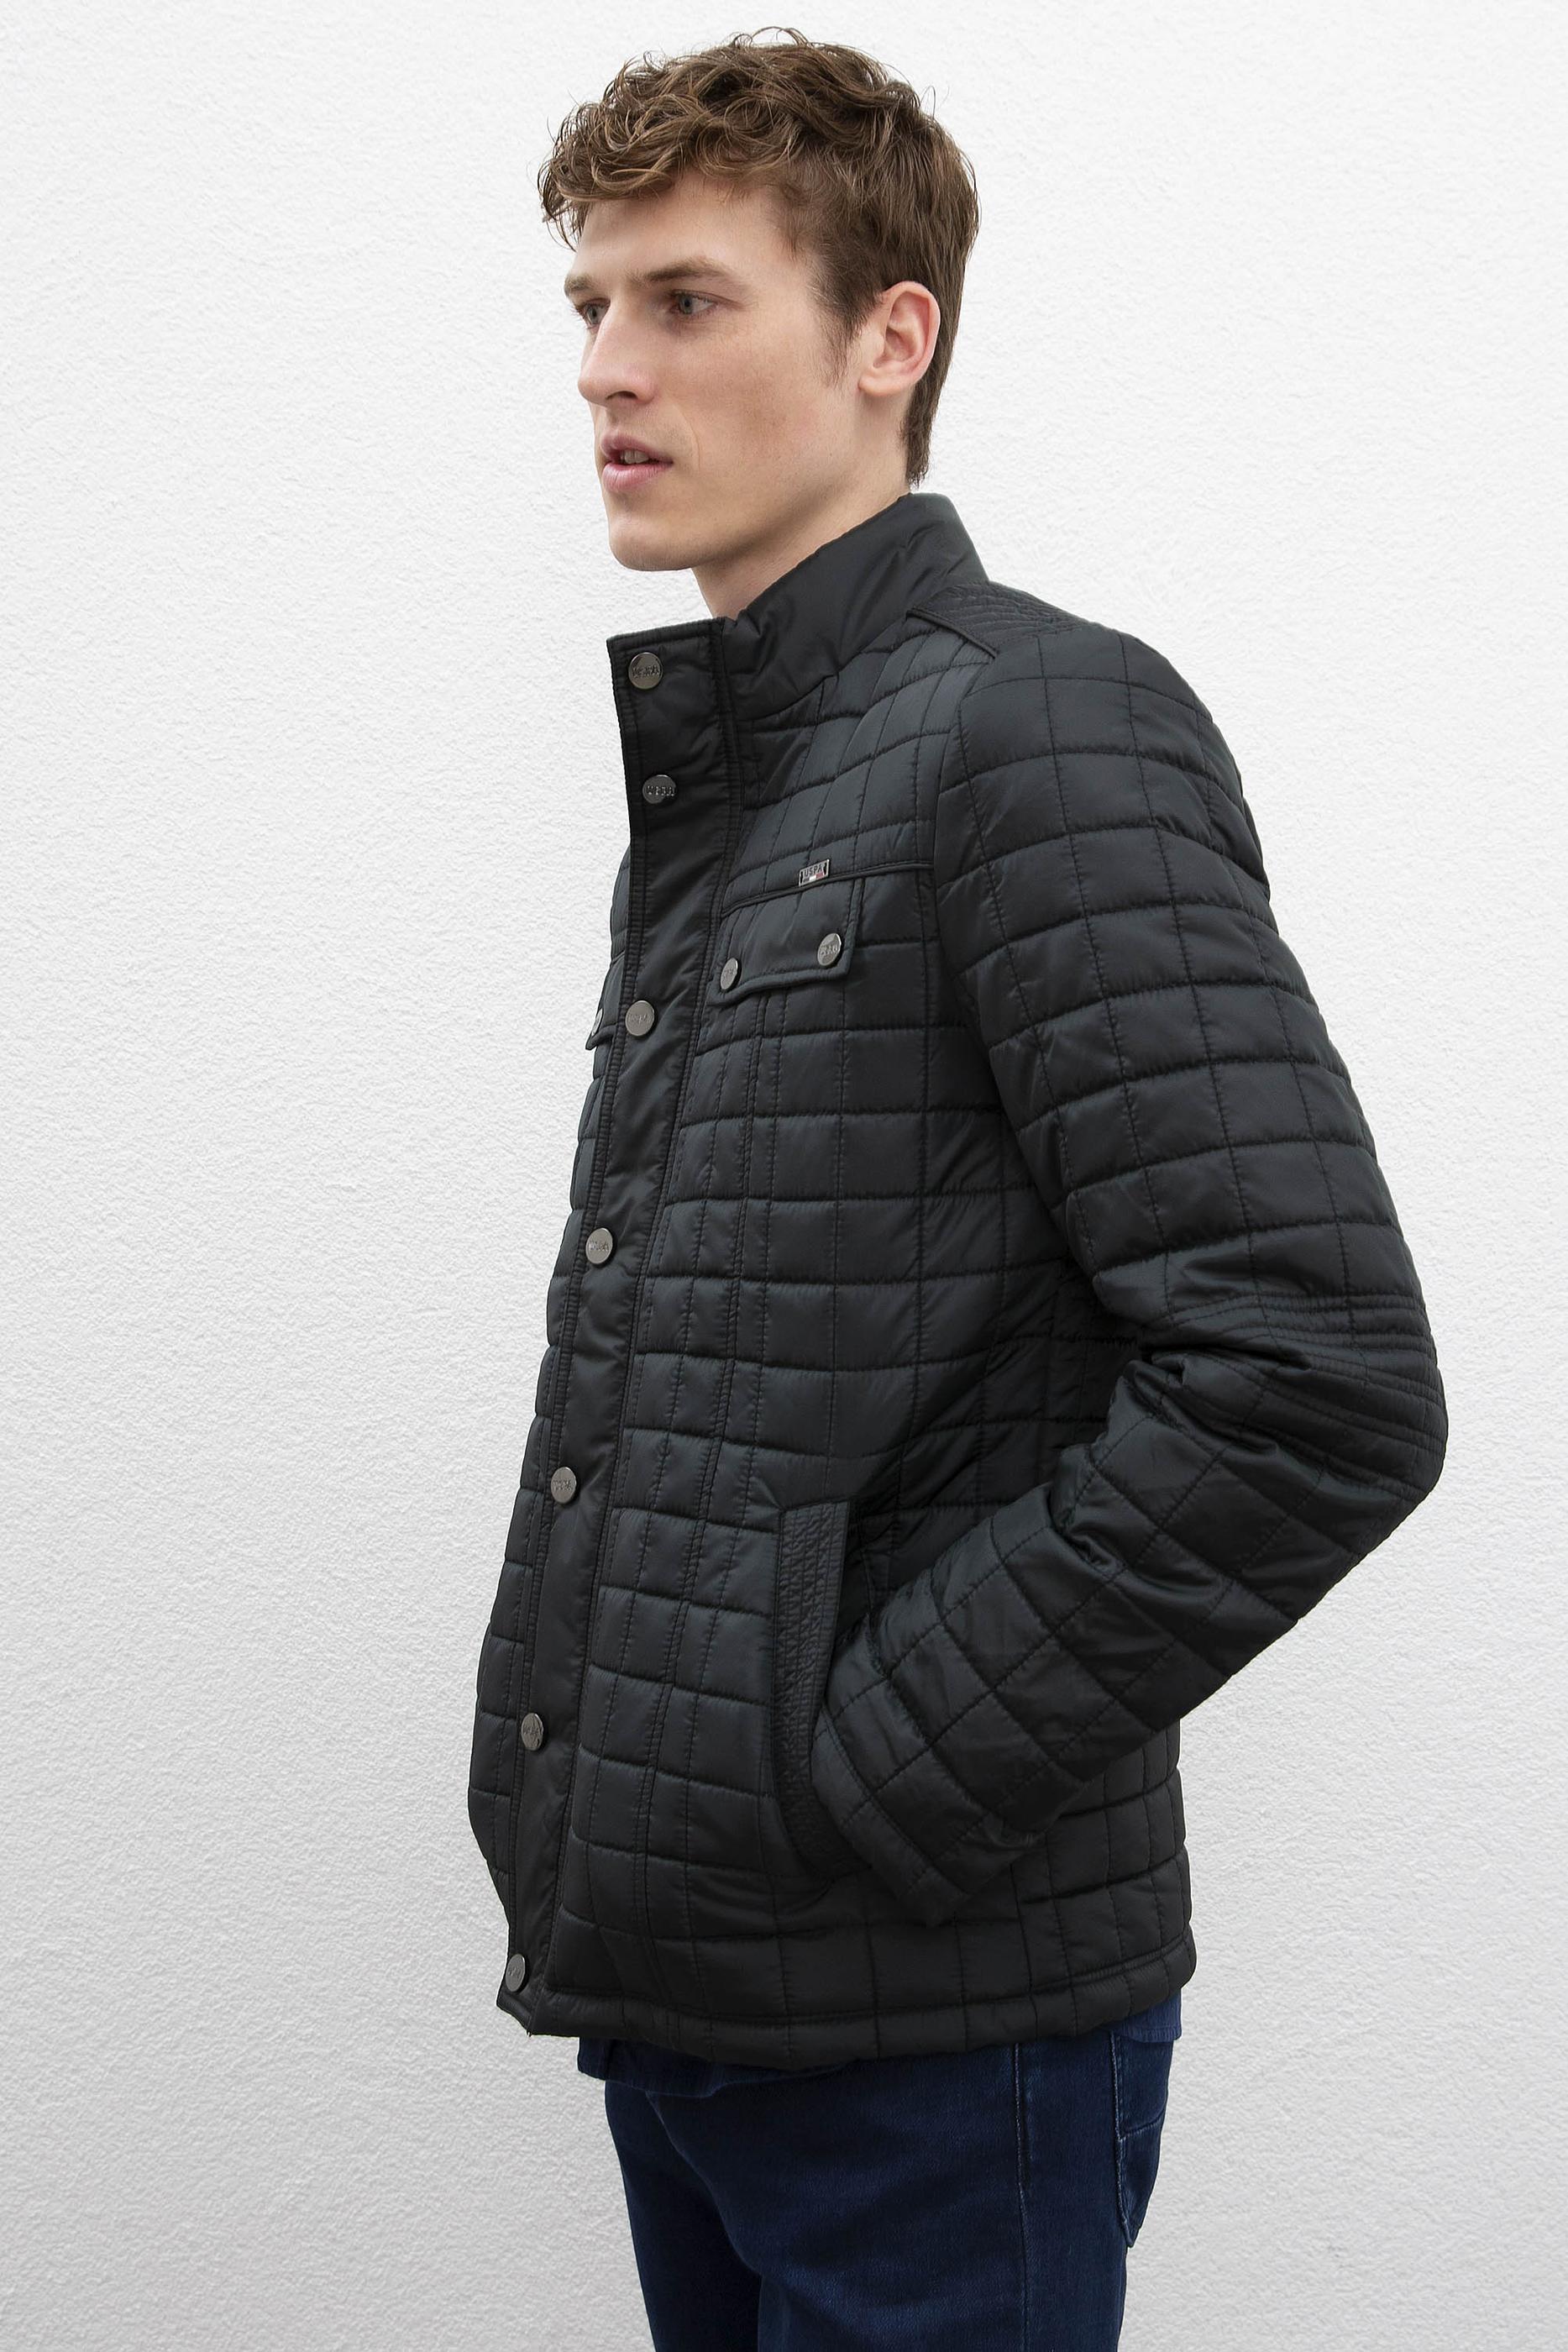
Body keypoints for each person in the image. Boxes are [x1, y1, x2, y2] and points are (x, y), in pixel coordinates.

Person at [466, 29, 1448, 2349]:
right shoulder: (754, 775)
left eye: (685, 302)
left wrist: (855, 1783)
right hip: (701, 1981)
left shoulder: (1036, 727)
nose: (605, 370)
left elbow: (1314, 1382)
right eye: (589, 309)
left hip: (926, 2026)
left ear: (887, 337)